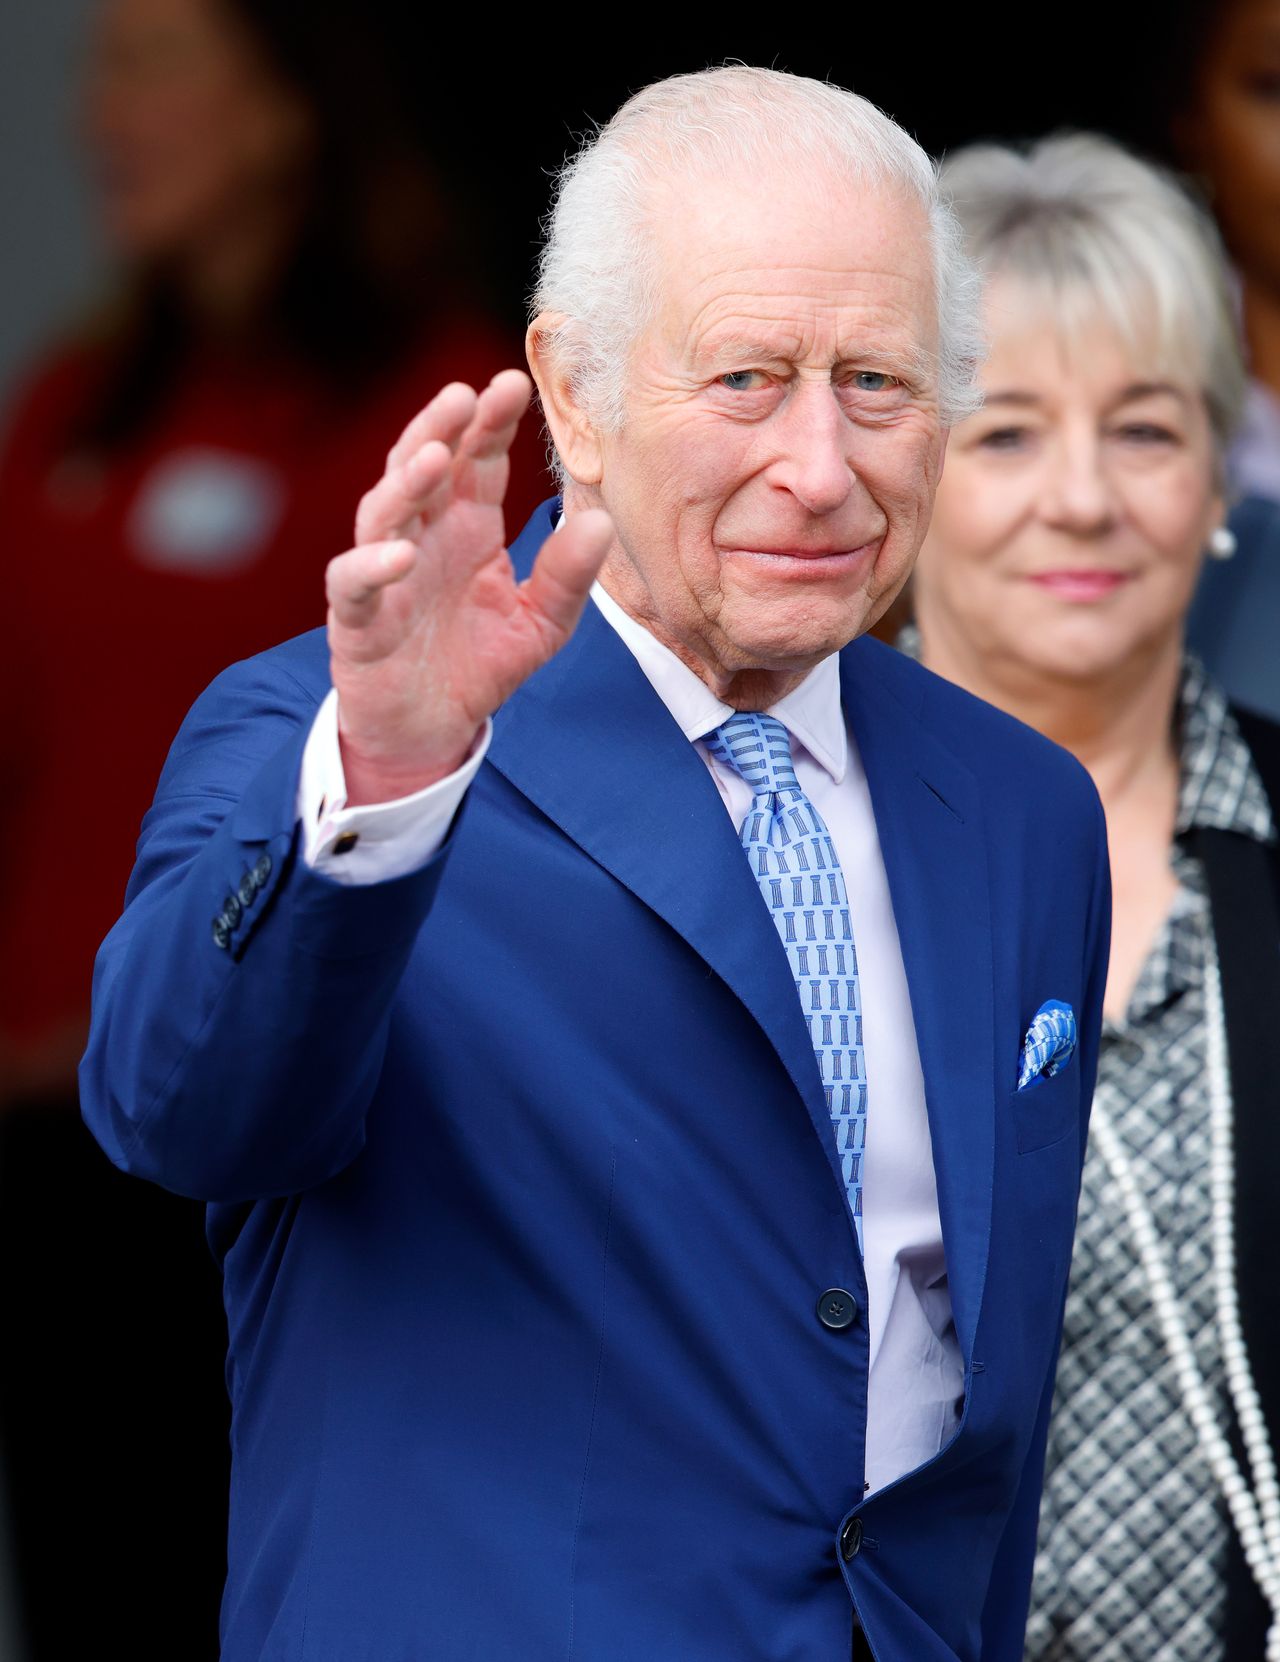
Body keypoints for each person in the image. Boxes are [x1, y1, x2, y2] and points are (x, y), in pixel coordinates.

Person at [80, 67, 1109, 1661]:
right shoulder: (332, 738)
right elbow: (180, 1111)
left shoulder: (1019, 804)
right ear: (572, 393)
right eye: (749, 379)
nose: (822, 466)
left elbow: (971, 1400)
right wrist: (390, 786)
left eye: (881, 383)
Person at [0, 2, 536, 1655]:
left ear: (293, 105)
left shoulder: (436, 418)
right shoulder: (81, 404)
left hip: (280, 1119)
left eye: (154, 61)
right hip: (40, 1134)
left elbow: (472, 770)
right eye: (103, 65)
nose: (108, 109)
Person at [907, 132, 1280, 1661]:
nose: (1082, 499)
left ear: (1216, 475)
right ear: (900, 467)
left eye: (1142, 430)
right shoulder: (775, 852)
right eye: (1002, 436)